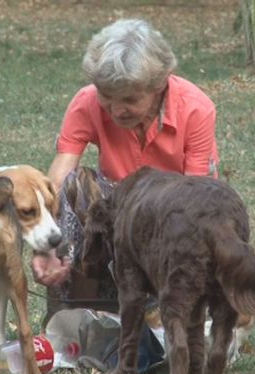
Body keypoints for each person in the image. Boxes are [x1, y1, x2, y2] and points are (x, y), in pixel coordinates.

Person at [32, 18, 219, 291]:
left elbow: (197, 198)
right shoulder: (86, 101)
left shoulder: (196, 109)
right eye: (107, 96)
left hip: (173, 211)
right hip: (116, 206)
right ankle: (74, 304)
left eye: (130, 99)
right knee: (77, 184)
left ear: (158, 87)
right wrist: (45, 244)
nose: (117, 110)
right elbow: (59, 179)